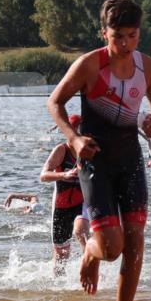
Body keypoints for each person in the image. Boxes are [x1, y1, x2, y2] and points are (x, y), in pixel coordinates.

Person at [47, 0, 151, 301]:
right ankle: (91, 251)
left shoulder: (149, 68)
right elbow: (55, 102)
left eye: (132, 36)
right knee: (112, 249)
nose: (125, 44)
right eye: (118, 37)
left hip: (130, 160)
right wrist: (73, 139)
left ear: (139, 34)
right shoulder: (89, 65)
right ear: (105, 33)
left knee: (135, 240)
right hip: (95, 163)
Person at [40, 113, 91, 275]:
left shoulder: (90, 151)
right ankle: (58, 284)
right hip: (61, 205)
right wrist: (64, 175)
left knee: (81, 231)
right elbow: (43, 175)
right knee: (61, 256)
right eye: (75, 133)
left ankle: (90, 268)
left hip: (82, 203)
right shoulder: (61, 150)